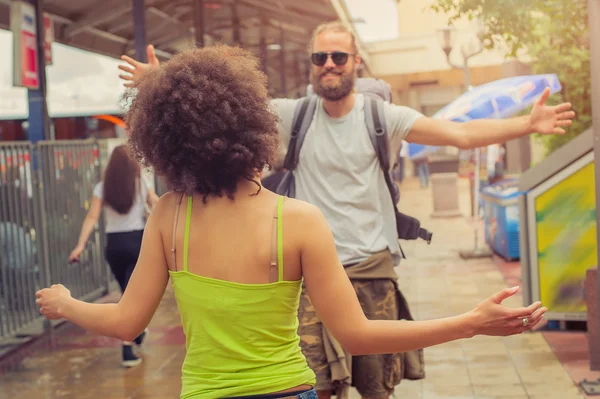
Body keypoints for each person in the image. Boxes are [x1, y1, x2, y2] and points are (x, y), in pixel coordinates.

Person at [35, 44, 547, 399]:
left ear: (170, 141)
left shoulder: (170, 216)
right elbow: (360, 334)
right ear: (256, 131)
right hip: (289, 390)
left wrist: (67, 305)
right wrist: (471, 325)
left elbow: (128, 321)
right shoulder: (298, 221)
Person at [67, 145, 159, 367]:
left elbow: (91, 217)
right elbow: (156, 204)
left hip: (114, 247)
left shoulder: (102, 187)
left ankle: (136, 333)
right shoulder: (141, 183)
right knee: (129, 296)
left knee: (126, 294)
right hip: (136, 243)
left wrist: (80, 245)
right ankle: (128, 348)